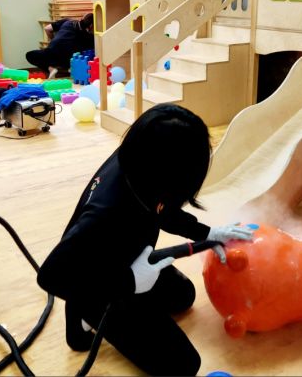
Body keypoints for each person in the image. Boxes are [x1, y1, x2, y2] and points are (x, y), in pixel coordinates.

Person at [37, 104, 254, 376]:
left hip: (125, 258)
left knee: (183, 295)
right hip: (102, 283)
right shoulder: (107, 213)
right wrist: (130, 282)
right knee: (184, 366)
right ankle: (84, 313)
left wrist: (207, 233)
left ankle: (104, 310)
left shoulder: (140, 163)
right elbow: (51, 276)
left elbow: (163, 209)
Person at [26, 13, 94, 79]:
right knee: (83, 53)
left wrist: (53, 40)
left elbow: (47, 29)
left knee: (29, 55)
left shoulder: (68, 21)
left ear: (81, 18)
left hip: (52, 51)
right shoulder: (89, 37)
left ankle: (51, 69)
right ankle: (71, 68)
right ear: (91, 26)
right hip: (67, 60)